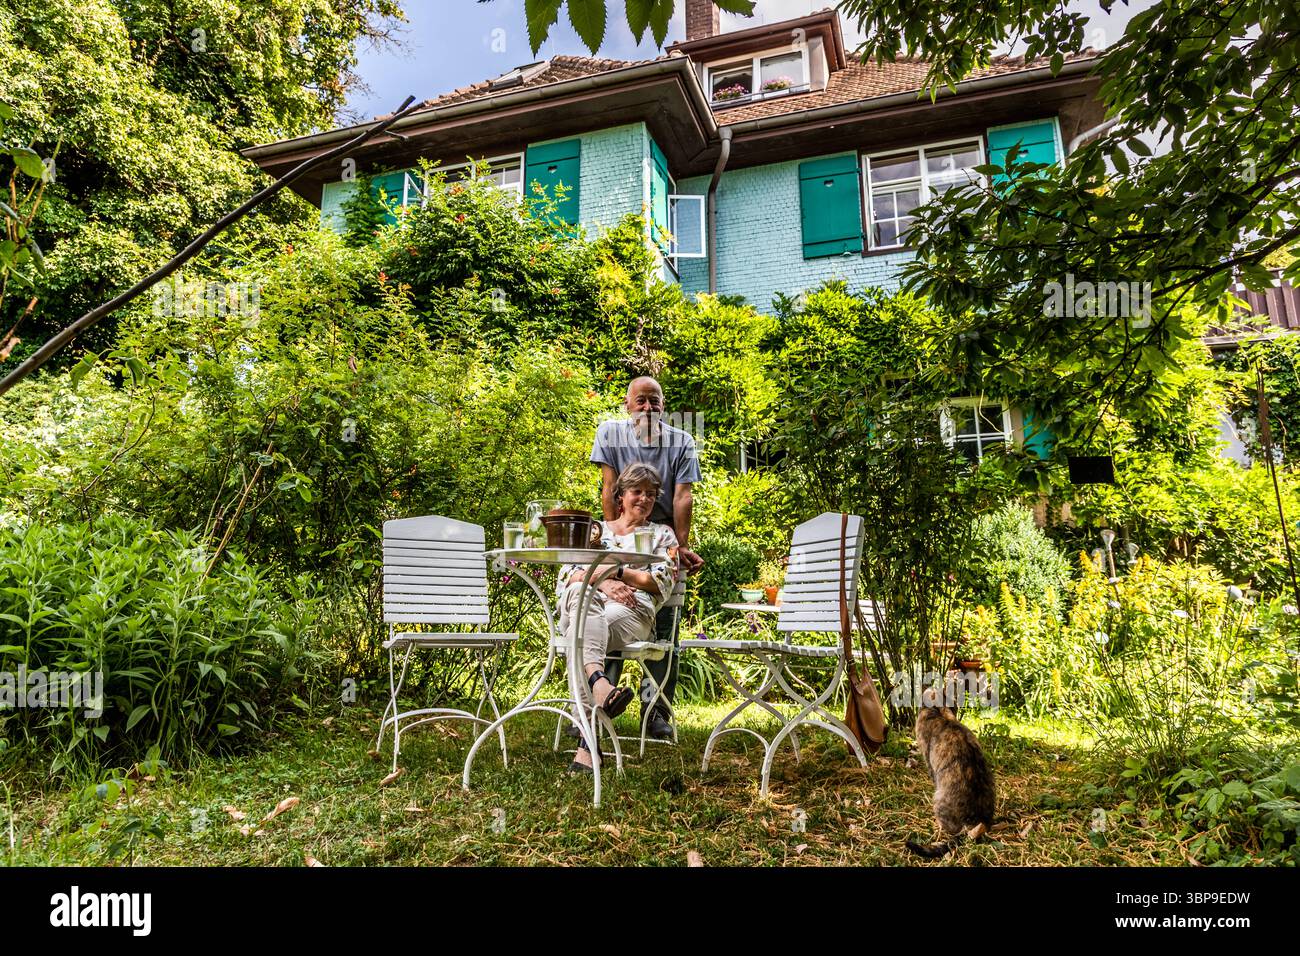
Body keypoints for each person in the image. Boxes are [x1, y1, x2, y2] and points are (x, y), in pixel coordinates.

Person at [589, 376, 703, 740]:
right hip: (620, 530)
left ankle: (656, 714)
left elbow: (683, 496)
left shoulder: (681, 441)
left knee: (665, 627)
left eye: (655, 401)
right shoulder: (610, 434)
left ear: (664, 405)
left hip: (661, 533)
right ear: (627, 405)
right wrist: (611, 536)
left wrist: (680, 546)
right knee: (608, 610)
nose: (648, 408)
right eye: (641, 401)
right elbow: (608, 488)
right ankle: (600, 704)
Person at [557, 463, 679, 773]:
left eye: (651, 494)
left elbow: (662, 582)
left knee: (578, 632)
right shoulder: (595, 530)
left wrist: (617, 572)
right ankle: (599, 685)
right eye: (637, 492)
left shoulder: (662, 535)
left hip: (633, 611)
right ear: (620, 495)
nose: (644, 499)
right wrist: (605, 584)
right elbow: (567, 574)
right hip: (590, 602)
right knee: (580, 598)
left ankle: (588, 735)